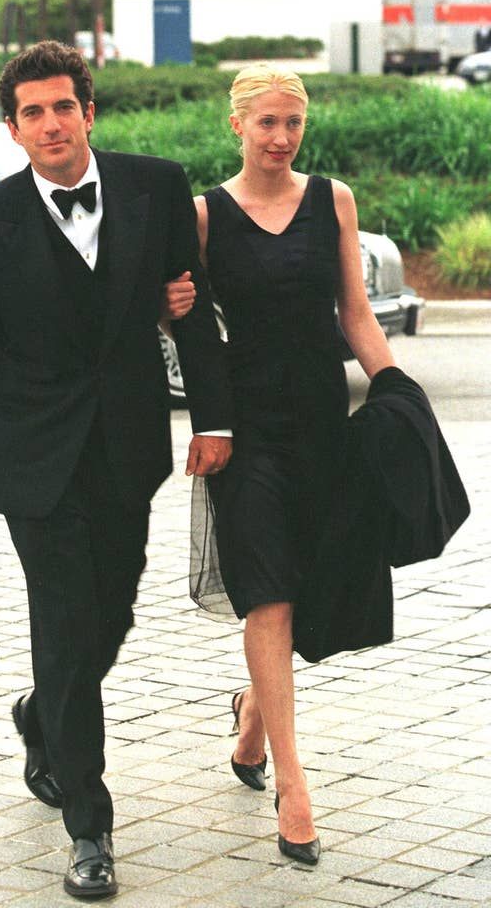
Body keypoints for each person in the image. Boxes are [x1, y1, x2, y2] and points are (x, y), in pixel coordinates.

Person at [0, 41, 233, 900]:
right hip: (34, 457)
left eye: (63, 107)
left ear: (88, 112)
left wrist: (215, 418)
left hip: (129, 449)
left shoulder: (156, 186)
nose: (50, 124)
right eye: (32, 112)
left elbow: (188, 301)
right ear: (12, 130)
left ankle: (40, 714)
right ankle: (88, 827)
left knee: (111, 615)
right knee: (61, 624)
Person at [164, 64, 399, 866]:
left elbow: (353, 313)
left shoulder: (332, 199)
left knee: (305, 584)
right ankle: (295, 789)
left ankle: (252, 718)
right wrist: (177, 310)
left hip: (320, 427)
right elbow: (183, 326)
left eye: (293, 123)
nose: (281, 138)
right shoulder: (202, 215)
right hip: (246, 433)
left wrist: (395, 386)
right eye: (266, 122)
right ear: (237, 125)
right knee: (267, 594)